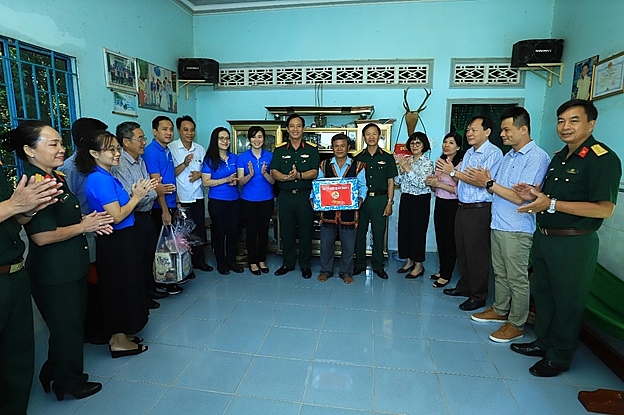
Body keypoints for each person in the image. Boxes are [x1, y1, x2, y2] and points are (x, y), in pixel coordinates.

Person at [510, 99, 621, 377]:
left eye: (574, 120)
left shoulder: (602, 159)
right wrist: (533, 195)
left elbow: (605, 209)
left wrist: (552, 204)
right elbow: (550, 197)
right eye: (561, 121)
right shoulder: (560, 157)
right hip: (546, 238)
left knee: (568, 301)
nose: (565, 126)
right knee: (545, 297)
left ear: (591, 124)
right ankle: (544, 343)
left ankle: (559, 356)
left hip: (574, 242)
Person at [5, 121, 112, 401]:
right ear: (29, 150)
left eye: (60, 143)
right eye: (52, 144)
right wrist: (83, 227)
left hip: (70, 266)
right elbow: (41, 237)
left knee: (71, 325)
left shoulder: (56, 177)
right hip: (54, 272)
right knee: (67, 329)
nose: (61, 149)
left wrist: (86, 223)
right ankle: (68, 381)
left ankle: (54, 371)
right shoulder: (33, 183)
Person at [465, 107, 550, 343]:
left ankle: (516, 323)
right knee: (500, 274)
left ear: (523, 129)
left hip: (517, 227)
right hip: (498, 222)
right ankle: (500, 310)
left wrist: (489, 182)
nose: (502, 134)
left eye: (506, 129)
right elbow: (501, 189)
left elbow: (521, 197)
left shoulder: (537, 158)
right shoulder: (509, 156)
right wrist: (490, 183)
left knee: (517, 278)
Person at [77, 130, 155, 359]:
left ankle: (121, 335)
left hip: (122, 239)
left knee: (127, 287)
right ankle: (119, 341)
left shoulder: (107, 175)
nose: (116, 153)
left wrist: (132, 195)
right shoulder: (98, 178)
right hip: (115, 242)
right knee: (119, 290)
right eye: (110, 149)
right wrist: (137, 196)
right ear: (93, 153)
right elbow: (117, 215)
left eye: (117, 148)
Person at [0, 131, 63, 414]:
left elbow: (14, 220)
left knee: (18, 360)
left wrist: (33, 207)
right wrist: (15, 204)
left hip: (14, 273)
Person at [439, 116, 503, 311]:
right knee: (463, 250)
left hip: (479, 209)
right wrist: (457, 175)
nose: (469, 133)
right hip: (463, 207)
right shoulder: (469, 153)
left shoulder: (493, 153)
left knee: (477, 253)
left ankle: (478, 295)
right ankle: (465, 286)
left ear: (487, 132)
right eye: (468, 130)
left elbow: (483, 182)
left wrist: (453, 173)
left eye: (474, 130)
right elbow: (465, 179)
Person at [58, 117, 110, 345]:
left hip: (99, 230)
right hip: (84, 233)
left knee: (100, 283)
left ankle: (101, 325)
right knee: (90, 284)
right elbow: (66, 208)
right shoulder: (69, 169)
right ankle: (92, 330)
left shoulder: (95, 166)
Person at [112, 122, 174, 308]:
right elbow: (132, 196)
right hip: (134, 218)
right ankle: (141, 298)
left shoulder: (140, 161)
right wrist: (153, 191)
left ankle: (150, 289)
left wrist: (152, 191)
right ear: (126, 142)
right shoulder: (120, 165)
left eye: (143, 138)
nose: (143, 143)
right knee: (137, 260)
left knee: (149, 256)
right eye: (140, 139)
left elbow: (150, 190)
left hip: (146, 215)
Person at [270, 114, 319, 279]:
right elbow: (274, 171)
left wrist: (298, 175)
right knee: (287, 232)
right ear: (287, 129)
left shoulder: (311, 150)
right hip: (285, 197)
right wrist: (285, 178)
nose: (295, 129)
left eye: (298, 126)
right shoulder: (280, 150)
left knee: (306, 232)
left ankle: (305, 265)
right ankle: (288, 263)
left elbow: (314, 172)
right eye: (292, 126)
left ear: (303, 129)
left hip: (305, 197)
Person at [313, 133, 367, 284]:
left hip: (349, 213)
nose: (339, 149)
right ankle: (325, 270)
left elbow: (363, 186)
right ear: (332, 148)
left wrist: (360, 199)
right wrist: (313, 198)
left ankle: (346, 272)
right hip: (328, 213)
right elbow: (318, 184)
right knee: (326, 244)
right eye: (336, 146)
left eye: (342, 145)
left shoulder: (358, 166)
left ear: (348, 147)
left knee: (349, 246)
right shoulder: (324, 165)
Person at [353, 123, 398, 280]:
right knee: (360, 233)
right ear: (363, 137)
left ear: (380, 136)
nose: (371, 137)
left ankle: (378, 265)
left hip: (380, 200)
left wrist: (390, 202)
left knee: (378, 234)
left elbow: (391, 181)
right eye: (368, 134)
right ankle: (359, 264)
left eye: (374, 134)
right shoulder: (358, 158)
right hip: (362, 201)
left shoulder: (387, 157)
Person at [170, 115, 213, 272]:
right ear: (179, 131)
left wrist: (199, 175)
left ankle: (199, 262)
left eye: (192, 130)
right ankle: (185, 266)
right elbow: (170, 174)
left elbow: (207, 172)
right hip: (181, 197)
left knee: (199, 230)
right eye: (185, 130)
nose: (189, 133)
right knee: (182, 234)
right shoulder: (172, 149)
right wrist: (185, 163)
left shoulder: (200, 149)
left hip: (198, 196)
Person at [202, 127, 242, 275]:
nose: (225, 141)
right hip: (217, 201)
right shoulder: (209, 159)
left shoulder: (234, 158)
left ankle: (232, 261)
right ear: (215, 140)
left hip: (234, 201)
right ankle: (221, 263)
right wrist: (226, 180)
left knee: (233, 232)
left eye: (227, 138)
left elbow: (238, 177)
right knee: (219, 232)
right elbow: (206, 182)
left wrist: (235, 181)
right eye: (221, 138)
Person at [425, 132, 463, 288]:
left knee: (449, 240)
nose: (447, 145)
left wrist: (441, 182)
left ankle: (447, 275)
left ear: (458, 147)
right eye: (445, 142)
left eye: (451, 143)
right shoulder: (440, 162)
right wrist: (432, 183)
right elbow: (436, 188)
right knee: (440, 238)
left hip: (452, 205)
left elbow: (459, 190)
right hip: (440, 202)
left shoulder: (460, 164)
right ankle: (442, 270)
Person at [394, 132, 434, 279]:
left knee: (418, 232)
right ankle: (409, 261)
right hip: (406, 198)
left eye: (418, 143)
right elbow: (398, 182)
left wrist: (408, 169)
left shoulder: (427, 163)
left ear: (424, 145)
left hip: (420, 200)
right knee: (405, 230)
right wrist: (402, 169)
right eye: (412, 143)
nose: (414, 146)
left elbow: (421, 182)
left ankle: (418, 265)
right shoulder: (408, 160)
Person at [237, 126, 275, 275]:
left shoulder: (270, 156)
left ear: (264, 139)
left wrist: (264, 173)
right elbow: (241, 182)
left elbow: (273, 181)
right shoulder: (243, 157)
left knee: (263, 231)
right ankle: (252, 261)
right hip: (248, 201)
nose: (257, 140)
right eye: (254, 137)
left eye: (260, 136)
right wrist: (250, 175)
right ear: (249, 139)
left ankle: (262, 260)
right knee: (251, 232)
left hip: (266, 199)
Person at [143, 116, 177, 229]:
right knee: (162, 244)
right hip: (160, 207)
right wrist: (165, 210)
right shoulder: (151, 151)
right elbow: (157, 184)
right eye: (164, 129)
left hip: (171, 203)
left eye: (171, 129)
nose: (169, 132)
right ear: (155, 131)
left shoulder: (167, 150)